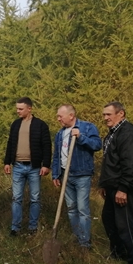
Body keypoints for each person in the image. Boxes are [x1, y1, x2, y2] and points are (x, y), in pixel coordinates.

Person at [99, 102, 133, 264]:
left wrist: (123, 188)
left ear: (121, 114)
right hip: (111, 186)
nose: (105, 118)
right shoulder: (113, 133)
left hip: (121, 187)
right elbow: (110, 162)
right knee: (109, 220)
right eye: (104, 114)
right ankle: (119, 252)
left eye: (109, 114)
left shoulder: (128, 133)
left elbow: (132, 163)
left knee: (126, 225)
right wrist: (104, 184)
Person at [52, 104, 101, 249]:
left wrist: (80, 137)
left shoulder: (87, 127)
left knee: (82, 209)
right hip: (65, 176)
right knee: (71, 208)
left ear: (71, 116)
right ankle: (78, 237)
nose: (58, 119)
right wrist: (55, 174)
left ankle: (85, 243)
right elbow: (57, 156)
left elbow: (98, 145)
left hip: (82, 175)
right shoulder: (60, 134)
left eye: (60, 116)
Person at [4, 97, 52, 236]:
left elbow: (47, 146)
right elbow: (10, 144)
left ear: (29, 108)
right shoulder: (15, 124)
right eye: (17, 108)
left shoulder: (40, 125)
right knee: (16, 198)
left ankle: (32, 228)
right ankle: (15, 228)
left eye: (20, 109)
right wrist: (7, 162)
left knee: (35, 198)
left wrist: (46, 165)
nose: (18, 111)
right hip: (18, 166)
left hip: (34, 167)